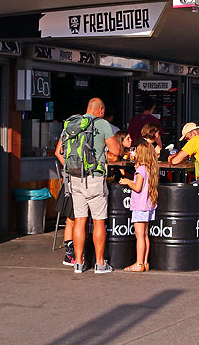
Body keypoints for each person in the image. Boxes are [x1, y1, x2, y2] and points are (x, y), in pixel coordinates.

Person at [67, 97, 120, 274]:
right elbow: (116, 151)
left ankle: (79, 263)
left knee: (80, 221)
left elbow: (60, 150)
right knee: (98, 221)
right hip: (95, 178)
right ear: (101, 110)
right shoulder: (103, 124)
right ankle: (99, 263)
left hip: (75, 177)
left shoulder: (72, 123)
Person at [119, 140, 159, 272]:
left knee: (139, 235)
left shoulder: (141, 170)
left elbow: (137, 188)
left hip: (139, 206)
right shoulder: (150, 168)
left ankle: (139, 263)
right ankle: (145, 262)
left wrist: (127, 181)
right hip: (148, 205)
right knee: (145, 234)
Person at [53, 130, 77, 266]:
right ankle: (72, 254)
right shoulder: (87, 131)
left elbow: (57, 152)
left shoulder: (66, 131)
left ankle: (70, 253)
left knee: (70, 218)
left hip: (69, 180)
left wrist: (68, 167)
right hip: (78, 180)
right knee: (74, 218)